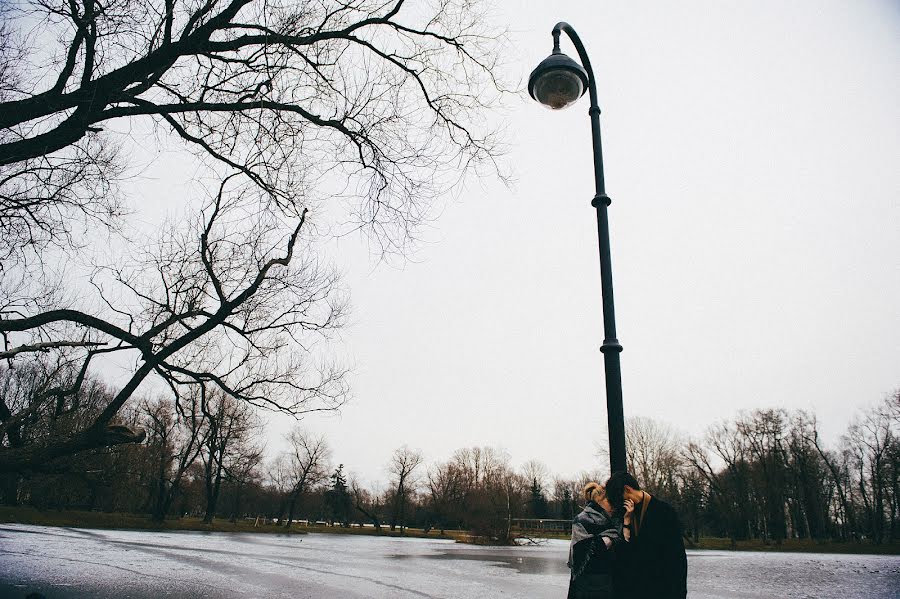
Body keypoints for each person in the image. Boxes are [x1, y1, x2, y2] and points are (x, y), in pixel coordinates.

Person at [604, 472, 687, 599]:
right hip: (630, 590)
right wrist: (626, 523)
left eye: (619, 499)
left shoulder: (664, 512)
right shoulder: (621, 514)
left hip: (660, 589)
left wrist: (678, 593)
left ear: (628, 489)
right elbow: (619, 556)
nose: (618, 504)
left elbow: (676, 558)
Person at [567, 482, 623, 599]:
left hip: (609, 583)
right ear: (600, 501)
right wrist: (610, 539)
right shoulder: (582, 520)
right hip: (587, 585)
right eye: (610, 501)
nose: (613, 506)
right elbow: (581, 551)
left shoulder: (615, 521)